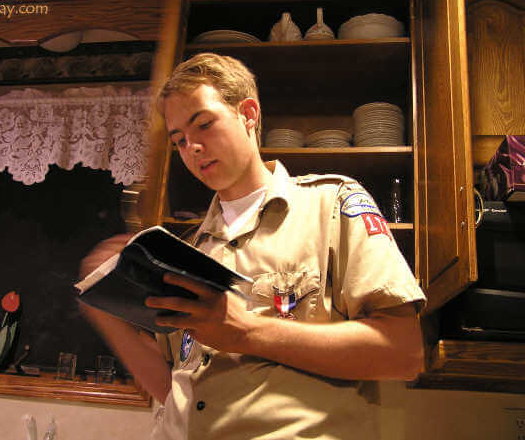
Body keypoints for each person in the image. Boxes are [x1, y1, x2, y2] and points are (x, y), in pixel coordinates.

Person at [79, 53, 427, 440]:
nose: (192, 147)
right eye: (179, 139)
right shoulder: (188, 252)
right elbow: (173, 387)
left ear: (248, 114)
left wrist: (245, 331)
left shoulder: (331, 205)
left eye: (204, 124)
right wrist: (106, 314)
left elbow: (403, 352)